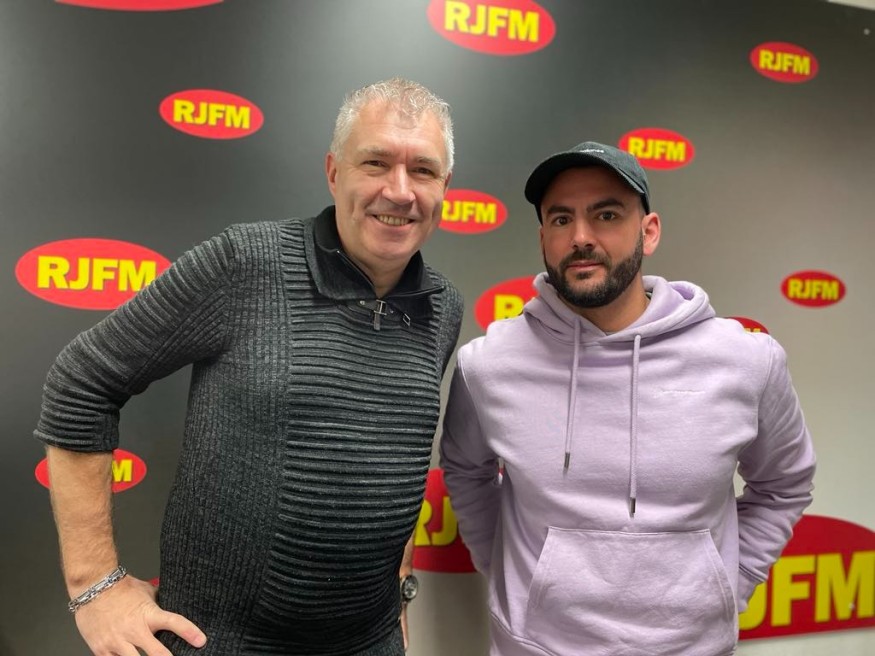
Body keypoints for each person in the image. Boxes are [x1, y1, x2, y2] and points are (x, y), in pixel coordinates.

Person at [35, 77, 463, 656]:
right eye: (376, 162)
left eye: (423, 170)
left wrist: (399, 593)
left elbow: (394, 461)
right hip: (220, 642)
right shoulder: (243, 263)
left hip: (371, 642)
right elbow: (81, 381)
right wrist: (95, 586)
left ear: (445, 186)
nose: (400, 190)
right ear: (334, 172)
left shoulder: (443, 306)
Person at [440, 141, 816, 655]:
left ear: (649, 231)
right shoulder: (488, 365)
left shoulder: (746, 361)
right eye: (561, 219)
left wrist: (735, 578)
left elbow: (785, 483)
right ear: (543, 238)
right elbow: (466, 470)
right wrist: (510, 573)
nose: (581, 237)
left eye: (607, 215)